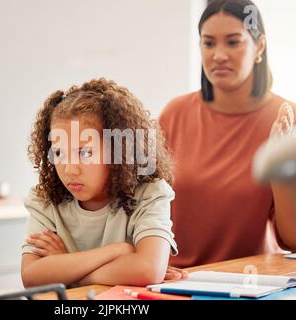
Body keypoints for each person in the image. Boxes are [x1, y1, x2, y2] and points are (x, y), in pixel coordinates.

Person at [159, 0, 296, 268]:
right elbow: (141, 209)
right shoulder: (174, 114)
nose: (219, 55)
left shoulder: (291, 119)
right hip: (176, 281)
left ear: (259, 46)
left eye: (233, 42)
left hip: (252, 283)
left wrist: (280, 171)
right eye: (209, 43)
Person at [21, 78, 187, 287]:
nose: (70, 169)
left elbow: (147, 270)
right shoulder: (44, 200)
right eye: (58, 153)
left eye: (85, 152)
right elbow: (31, 276)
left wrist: (66, 269)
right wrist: (119, 251)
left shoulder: (150, 194)